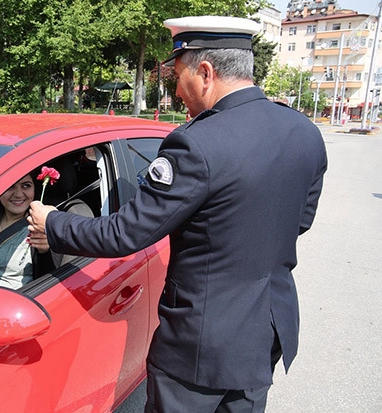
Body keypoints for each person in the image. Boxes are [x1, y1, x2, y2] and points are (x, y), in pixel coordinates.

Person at [28, 15, 327, 413]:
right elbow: (299, 222)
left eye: (178, 75)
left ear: (205, 72)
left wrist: (52, 222)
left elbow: (126, 234)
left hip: (200, 349)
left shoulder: (196, 144)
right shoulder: (303, 131)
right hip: (266, 332)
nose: (176, 89)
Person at [0, 173, 53, 291]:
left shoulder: (38, 229)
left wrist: (44, 252)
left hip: (13, 303)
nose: (18, 194)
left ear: (35, 189)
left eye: (26, 186)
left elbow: (46, 283)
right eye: (10, 186)